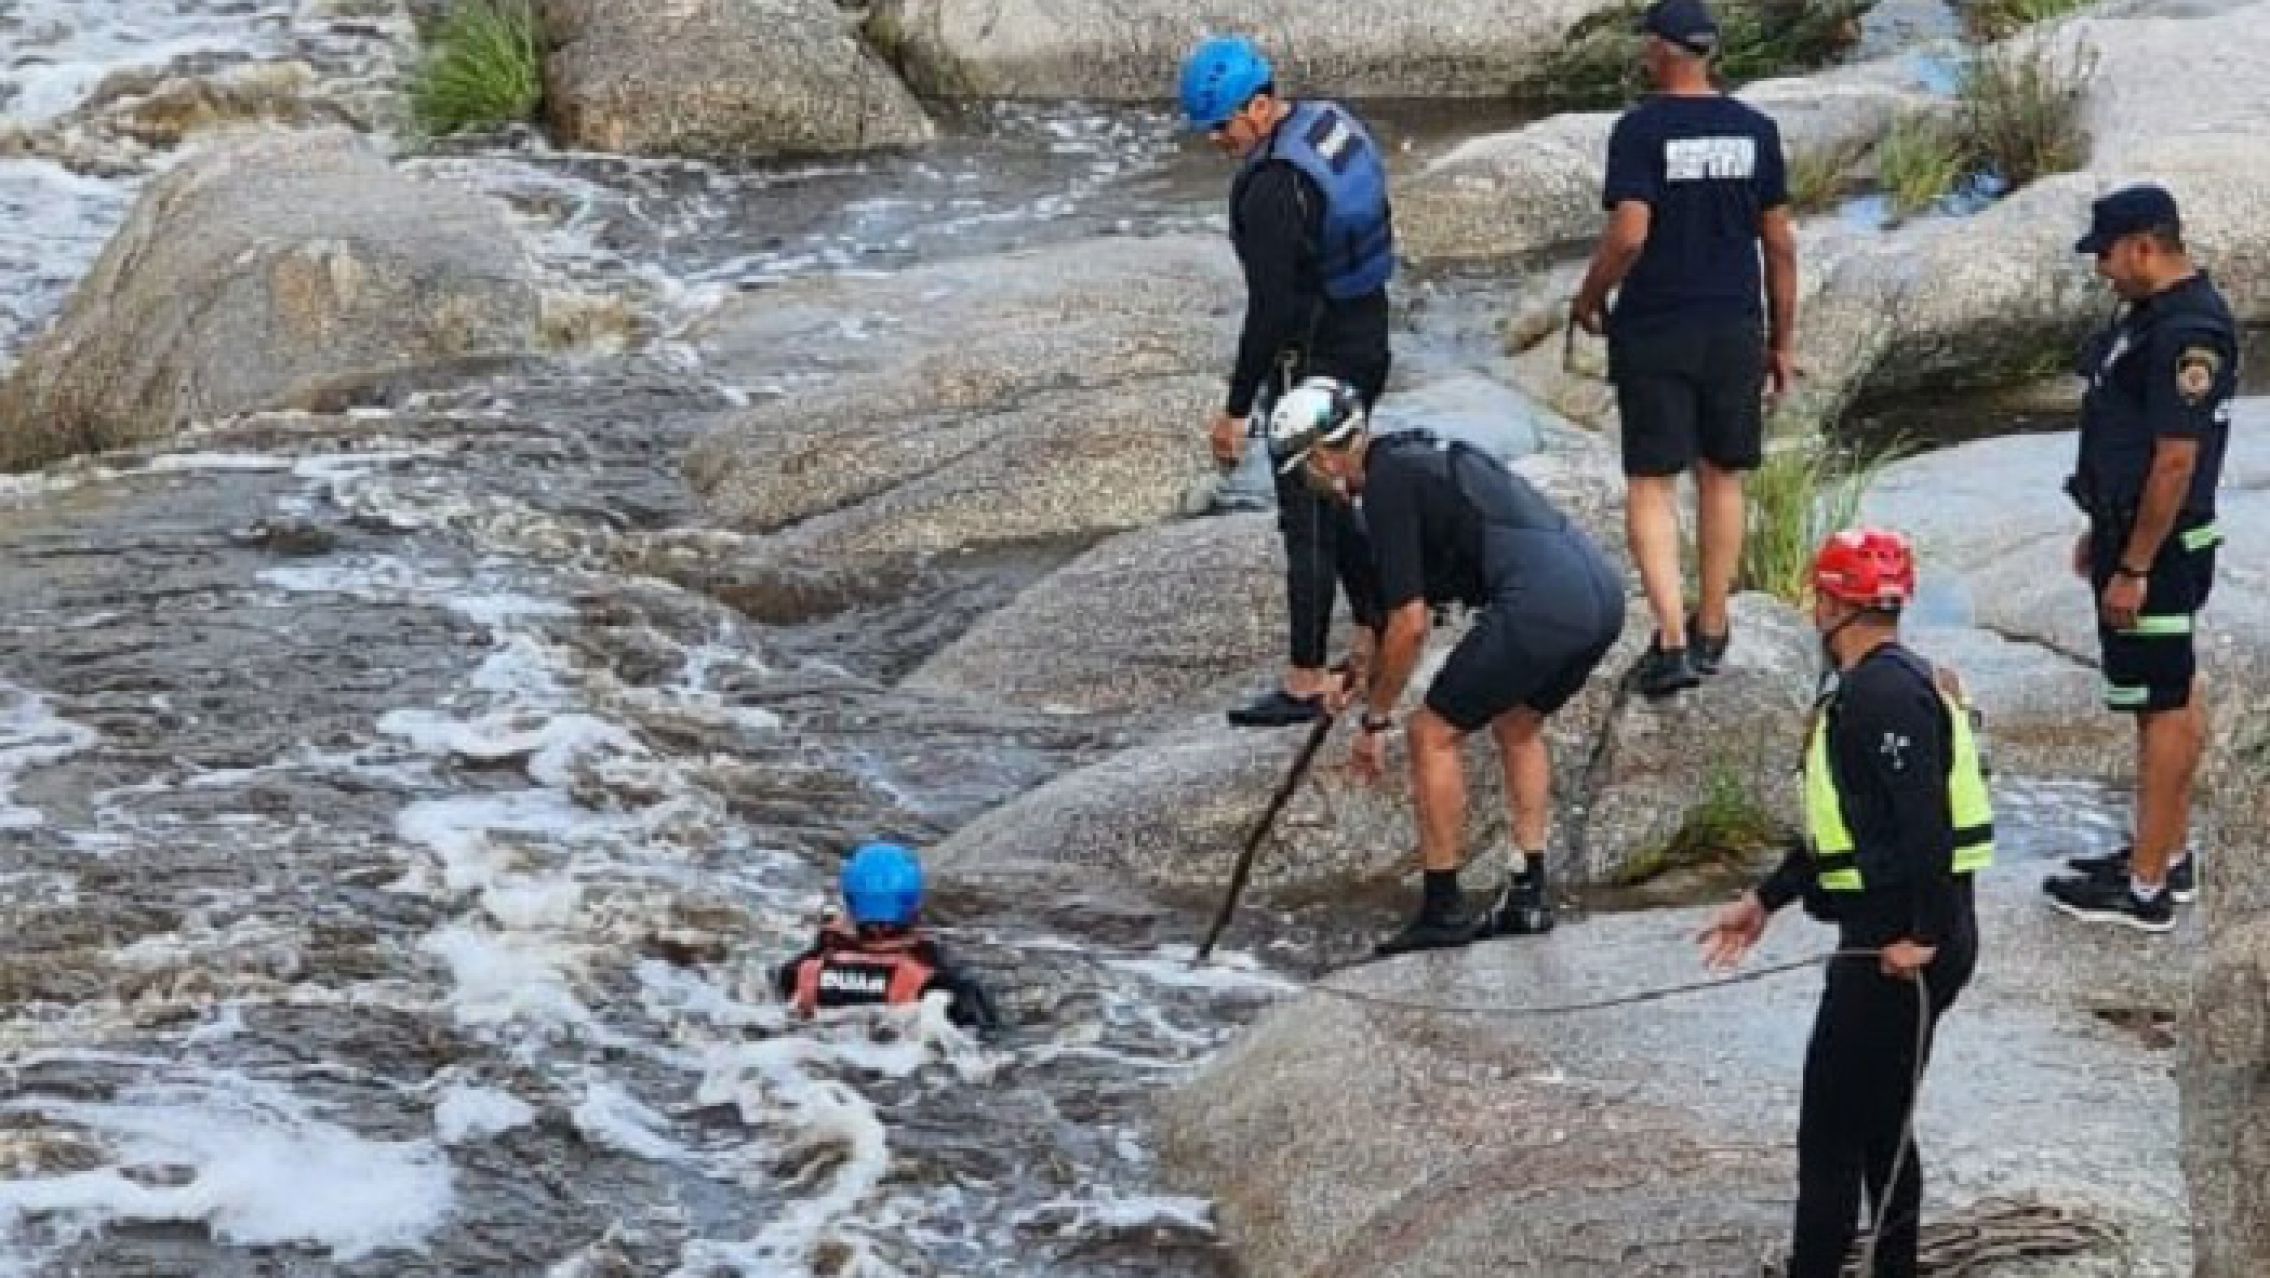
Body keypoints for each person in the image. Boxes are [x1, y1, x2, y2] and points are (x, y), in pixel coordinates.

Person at [1697, 528, 1993, 1278]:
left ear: (1832, 602)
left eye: (1815, 597)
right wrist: (1766, 900)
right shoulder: (1895, 682)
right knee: (1879, 1122)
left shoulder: (1880, 694)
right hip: (1903, 929)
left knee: (1831, 1129)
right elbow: (1859, 831)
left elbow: (1922, 818)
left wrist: (1923, 935)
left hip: (1900, 946)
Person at [1266, 376, 1624, 956]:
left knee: (1430, 733)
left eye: (1303, 467)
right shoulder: (1418, 458)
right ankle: (1528, 894)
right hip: (1599, 596)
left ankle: (1443, 907)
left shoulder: (1384, 487)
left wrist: (1375, 719)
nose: (1307, 482)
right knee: (1518, 723)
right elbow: (1402, 608)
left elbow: (1410, 625)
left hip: (1539, 603)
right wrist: (1357, 669)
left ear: (1328, 455)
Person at [1570, 0, 1799, 698]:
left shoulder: (1639, 131)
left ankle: (1670, 638)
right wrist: (1782, 340)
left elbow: (1631, 233)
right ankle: (1715, 623)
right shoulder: (1756, 131)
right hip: (1733, 323)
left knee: (1652, 481)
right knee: (1723, 474)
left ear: (1662, 51)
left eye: (1647, 44)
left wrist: (1589, 295)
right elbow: (1781, 244)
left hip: (1657, 325)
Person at [1179, 34, 1395, 728]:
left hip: (1317, 356)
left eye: (1225, 123)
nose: (1217, 139)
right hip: (1367, 334)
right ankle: (1379, 615)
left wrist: (1237, 409)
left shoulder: (1274, 185)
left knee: (1304, 519)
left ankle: (1304, 681)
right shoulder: (1325, 123)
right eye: (1209, 127)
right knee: (1331, 496)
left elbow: (1271, 310)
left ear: (1263, 104)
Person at [2041, 184, 2235, 933]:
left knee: (2160, 704)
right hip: (2130, 530)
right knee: (2169, 691)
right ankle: (2165, 849)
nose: (2103, 270)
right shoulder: (2149, 318)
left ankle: (2147, 886)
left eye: (2109, 255)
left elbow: (2176, 461)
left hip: (2159, 545)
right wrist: (2105, 527)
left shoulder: (2190, 331)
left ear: (2145, 245)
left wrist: (2136, 565)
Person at [775, 842, 1000, 1031]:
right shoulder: (939, 981)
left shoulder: (800, 972)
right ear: (914, 904)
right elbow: (984, 1025)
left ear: (851, 902)